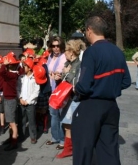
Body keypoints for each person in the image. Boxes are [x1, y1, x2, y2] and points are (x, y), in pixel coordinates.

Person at [72, 16, 131, 165]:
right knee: (109, 151)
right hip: (111, 107)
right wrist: (109, 86)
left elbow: (84, 86)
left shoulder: (91, 52)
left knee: (83, 151)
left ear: (89, 30)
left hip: (91, 106)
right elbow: (126, 81)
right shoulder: (118, 52)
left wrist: (74, 87)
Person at [56, 39, 85, 159]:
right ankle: (70, 147)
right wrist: (61, 75)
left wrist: (65, 74)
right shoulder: (69, 64)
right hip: (67, 99)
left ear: (72, 52)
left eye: (66, 51)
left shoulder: (78, 64)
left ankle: (69, 149)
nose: (64, 53)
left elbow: (75, 82)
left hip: (74, 99)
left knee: (68, 124)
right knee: (66, 124)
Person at [46, 36, 66, 150]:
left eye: (58, 45)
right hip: (51, 89)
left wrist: (57, 74)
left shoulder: (63, 56)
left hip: (60, 90)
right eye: (53, 46)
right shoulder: (50, 56)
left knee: (60, 114)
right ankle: (55, 137)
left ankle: (63, 140)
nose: (55, 48)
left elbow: (61, 69)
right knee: (53, 115)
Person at [0, 55, 20, 151]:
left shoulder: (12, 75)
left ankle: (14, 141)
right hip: (8, 99)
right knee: (10, 121)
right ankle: (11, 138)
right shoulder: (12, 74)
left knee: (12, 123)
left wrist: (4, 65)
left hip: (10, 100)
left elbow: (2, 72)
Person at [17, 58, 40, 144]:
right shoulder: (21, 77)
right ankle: (21, 135)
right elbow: (18, 88)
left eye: (25, 66)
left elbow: (36, 91)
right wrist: (20, 98)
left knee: (31, 120)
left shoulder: (34, 78)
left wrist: (28, 100)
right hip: (22, 102)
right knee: (21, 120)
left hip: (30, 103)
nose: (23, 68)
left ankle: (33, 136)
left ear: (30, 67)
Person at [34, 64, 51, 134]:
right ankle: (43, 127)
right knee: (40, 111)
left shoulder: (42, 68)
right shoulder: (43, 68)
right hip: (41, 93)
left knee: (42, 111)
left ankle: (44, 126)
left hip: (43, 93)